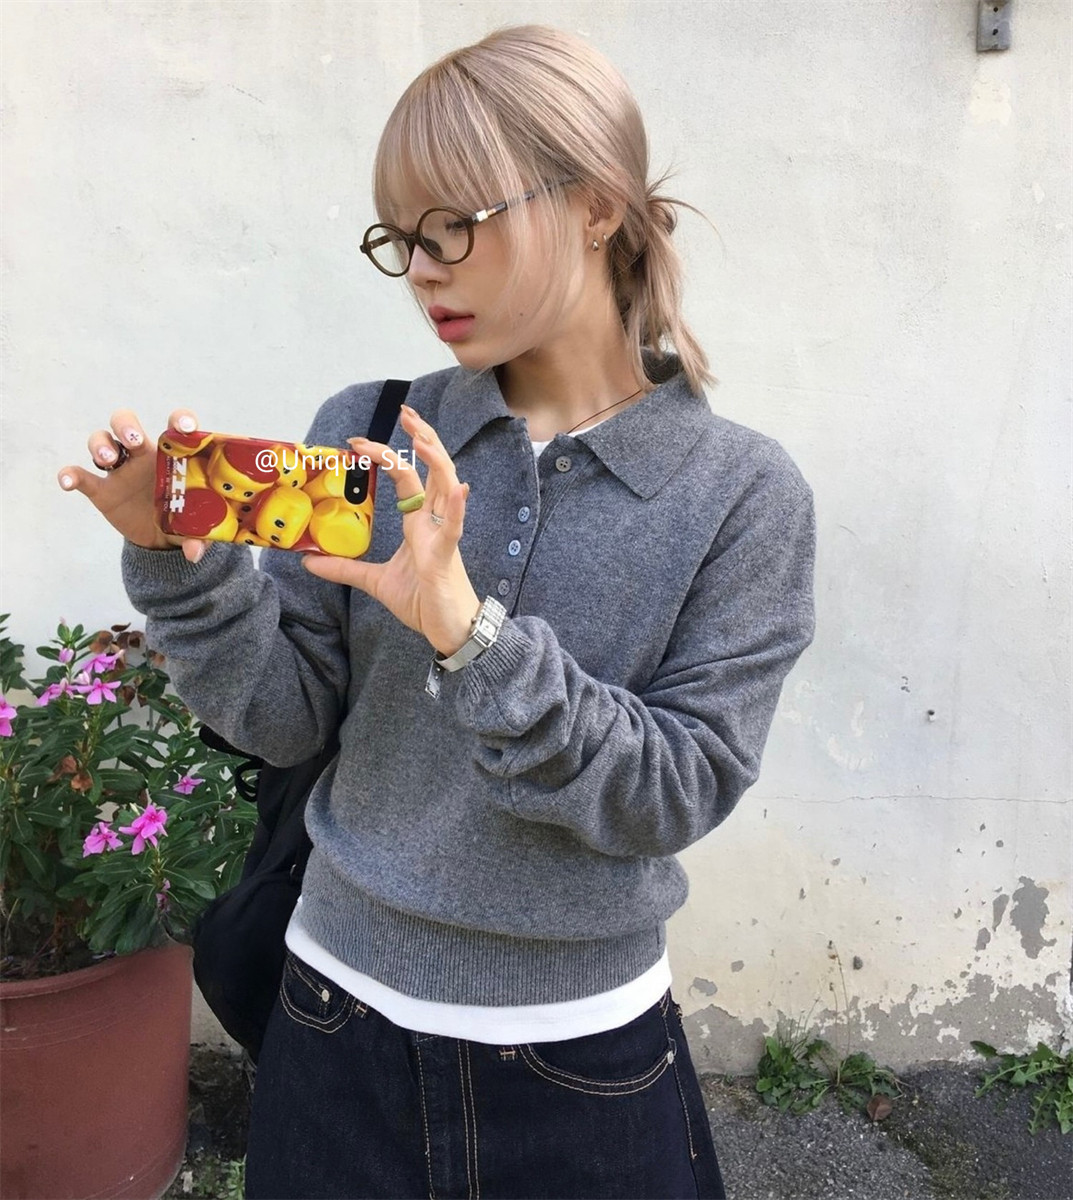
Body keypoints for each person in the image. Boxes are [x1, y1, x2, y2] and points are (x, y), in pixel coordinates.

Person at [59, 24, 815, 1200]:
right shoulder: (370, 431)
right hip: (329, 1027)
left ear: (594, 206)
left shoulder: (738, 493)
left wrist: (470, 634)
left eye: (453, 226)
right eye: (400, 239)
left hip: (583, 1061)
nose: (421, 269)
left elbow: (676, 789)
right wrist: (177, 563)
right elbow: (284, 721)